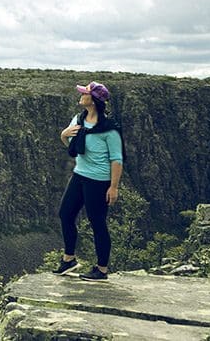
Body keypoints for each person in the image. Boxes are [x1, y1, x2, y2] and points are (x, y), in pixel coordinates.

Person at [52, 81, 124, 280]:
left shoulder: (109, 129)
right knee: (65, 214)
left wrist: (114, 187)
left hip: (99, 181)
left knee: (97, 222)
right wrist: (63, 135)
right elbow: (70, 142)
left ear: (93, 101)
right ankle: (69, 260)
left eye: (85, 93)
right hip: (80, 175)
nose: (81, 95)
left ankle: (101, 270)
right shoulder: (78, 119)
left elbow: (117, 159)